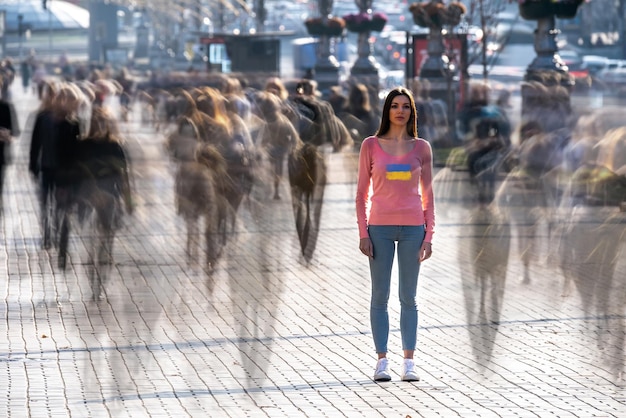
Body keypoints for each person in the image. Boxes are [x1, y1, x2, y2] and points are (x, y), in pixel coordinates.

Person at [355, 87, 435, 382]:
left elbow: (428, 196)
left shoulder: (422, 148)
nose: (400, 111)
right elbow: (361, 194)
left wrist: (429, 236)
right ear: (387, 110)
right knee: (380, 296)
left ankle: (409, 362)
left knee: (408, 297)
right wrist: (364, 232)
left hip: (414, 227)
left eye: (406, 106)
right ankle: (381, 360)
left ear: (412, 112)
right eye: (395, 106)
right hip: (380, 229)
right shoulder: (371, 145)